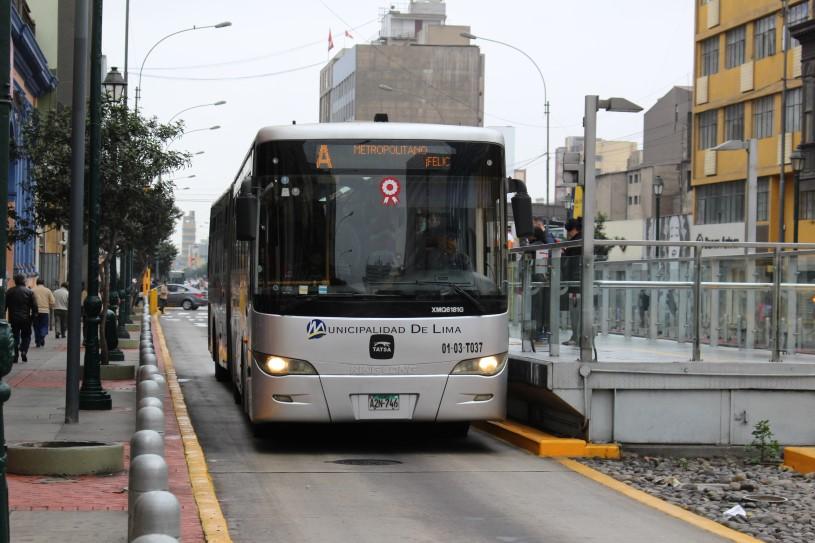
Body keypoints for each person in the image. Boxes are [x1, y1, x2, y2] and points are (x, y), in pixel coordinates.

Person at [561, 218, 582, 346]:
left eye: (569, 230)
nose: (568, 233)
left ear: (574, 229)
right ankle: (579, 336)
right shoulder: (581, 239)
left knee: (575, 310)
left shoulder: (576, 242)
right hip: (580, 280)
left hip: (575, 281)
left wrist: (564, 252)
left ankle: (576, 336)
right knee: (578, 310)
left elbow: (569, 261)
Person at [6, 274, 36, 363]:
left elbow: (4, 306)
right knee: (26, 336)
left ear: (15, 281)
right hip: (25, 319)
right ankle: (24, 350)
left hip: (13, 319)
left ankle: (15, 355)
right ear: (24, 281)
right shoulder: (29, 292)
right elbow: (34, 307)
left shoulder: (9, 291)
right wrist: (32, 318)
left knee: (14, 337)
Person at [32, 278, 56, 347]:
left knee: (36, 326)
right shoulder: (48, 290)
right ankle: (42, 336)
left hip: (35, 311)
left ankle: (37, 341)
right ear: (43, 283)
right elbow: (52, 301)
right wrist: (49, 306)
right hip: (45, 311)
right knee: (44, 325)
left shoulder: (32, 290)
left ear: (36, 283)